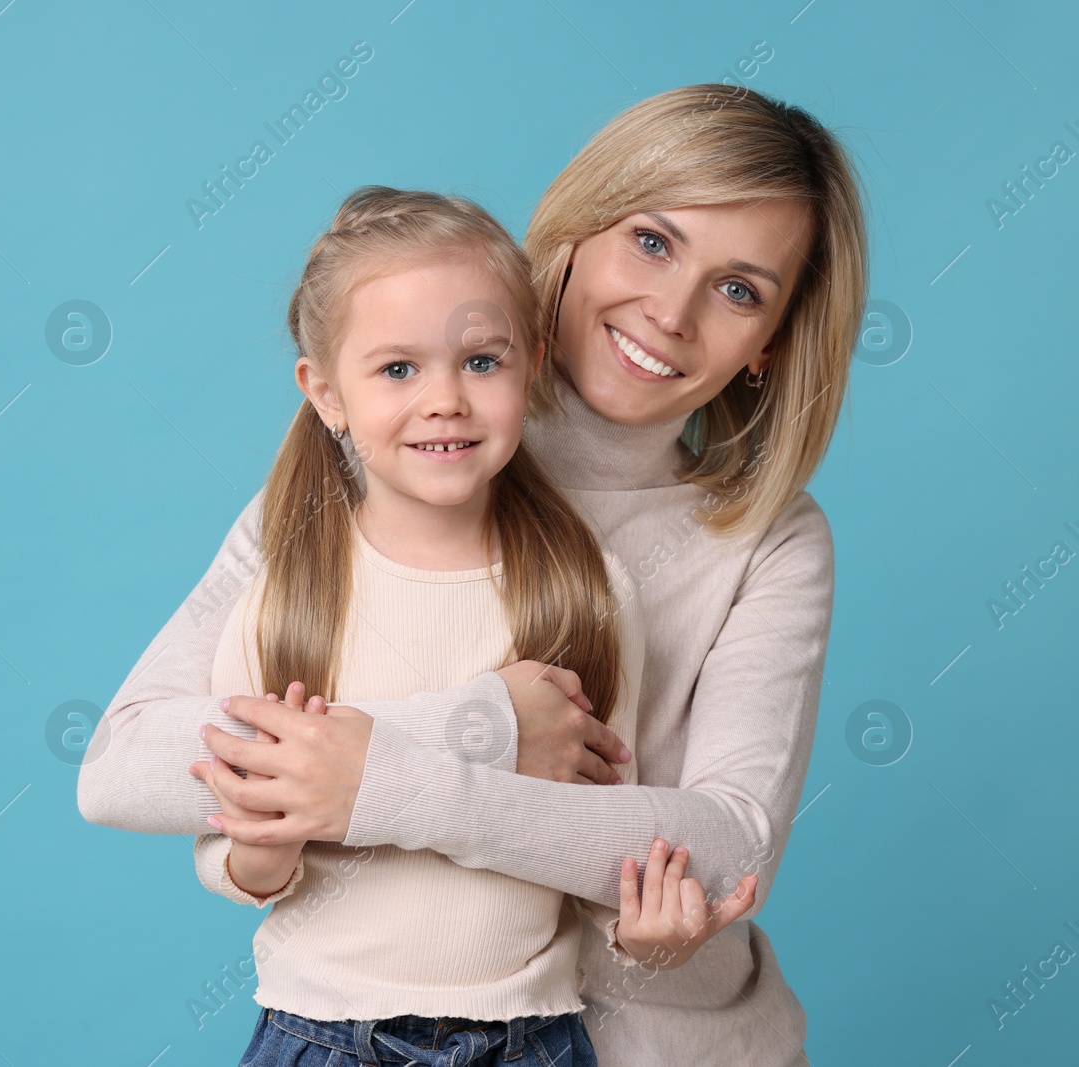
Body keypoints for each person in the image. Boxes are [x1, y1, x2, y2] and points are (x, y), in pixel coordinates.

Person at [78, 82, 866, 1066]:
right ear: (576, 231)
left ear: (772, 345)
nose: (670, 311)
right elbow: (126, 763)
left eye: (739, 288)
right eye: (653, 241)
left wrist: (394, 784)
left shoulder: (771, 538)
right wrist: (483, 725)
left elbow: (726, 847)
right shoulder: (396, 447)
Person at [180, 184, 754, 1066]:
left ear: (529, 369)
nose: (445, 398)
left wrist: (643, 928)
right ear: (326, 393)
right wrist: (268, 848)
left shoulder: (581, 595)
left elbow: (599, 832)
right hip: (319, 1031)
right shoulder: (289, 597)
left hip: (528, 1037)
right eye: (398, 369)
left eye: (481, 362)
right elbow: (230, 859)